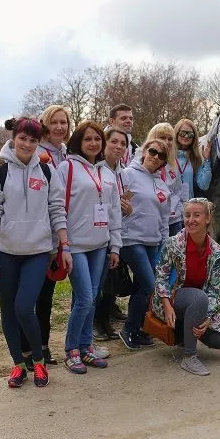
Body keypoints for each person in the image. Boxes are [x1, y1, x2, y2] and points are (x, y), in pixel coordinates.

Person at [0, 117, 72, 388]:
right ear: (13, 138)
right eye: (23, 138)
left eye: (33, 140)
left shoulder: (47, 172)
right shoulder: (0, 173)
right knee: (8, 311)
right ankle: (18, 365)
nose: (27, 144)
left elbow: (57, 210)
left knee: (24, 307)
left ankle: (38, 361)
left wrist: (64, 247)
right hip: (6, 252)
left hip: (38, 252)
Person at [57, 122, 122, 374]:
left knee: (92, 298)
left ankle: (86, 347)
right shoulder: (67, 168)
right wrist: (62, 245)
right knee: (84, 299)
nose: (94, 143)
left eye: (97, 139)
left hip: (100, 245)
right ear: (78, 142)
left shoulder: (108, 173)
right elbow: (58, 207)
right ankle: (71, 349)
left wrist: (115, 246)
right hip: (75, 246)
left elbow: (114, 211)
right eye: (88, 139)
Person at [152, 198, 220, 376]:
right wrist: (166, 305)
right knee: (199, 298)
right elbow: (161, 277)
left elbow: (213, 290)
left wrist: (209, 318)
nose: (191, 220)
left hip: (199, 303)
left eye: (197, 215)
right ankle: (189, 356)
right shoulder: (173, 244)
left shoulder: (217, 252)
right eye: (187, 215)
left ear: (208, 219)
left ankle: (182, 333)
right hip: (170, 300)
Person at [18, 104, 71, 367]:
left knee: (47, 295)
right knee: (33, 295)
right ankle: (27, 350)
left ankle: (43, 345)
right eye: (55, 122)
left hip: (57, 232)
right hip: (35, 235)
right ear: (45, 126)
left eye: (64, 122)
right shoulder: (37, 154)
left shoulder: (64, 154)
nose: (60, 127)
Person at [118, 139, 172, 350]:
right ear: (144, 152)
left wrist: (166, 244)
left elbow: (164, 218)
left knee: (143, 286)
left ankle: (137, 329)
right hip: (131, 239)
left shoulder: (162, 184)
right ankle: (128, 328)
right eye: (152, 151)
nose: (155, 157)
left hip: (154, 241)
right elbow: (115, 202)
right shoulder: (127, 174)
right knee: (150, 286)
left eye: (161, 156)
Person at [93, 127, 133, 341]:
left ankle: (105, 322)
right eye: (114, 142)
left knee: (110, 281)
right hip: (96, 232)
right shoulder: (95, 169)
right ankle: (94, 325)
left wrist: (127, 209)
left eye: (123, 143)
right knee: (95, 285)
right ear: (105, 143)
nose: (119, 147)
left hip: (115, 233)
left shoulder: (122, 172)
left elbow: (122, 205)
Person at [146, 123, 184, 236]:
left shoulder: (173, 165)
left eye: (170, 139)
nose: (167, 142)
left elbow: (178, 192)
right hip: (152, 219)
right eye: (162, 138)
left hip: (173, 221)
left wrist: (181, 215)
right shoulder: (144, 163)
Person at [174, 118, 213, 201]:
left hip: (187, 207)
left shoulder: (195, 159)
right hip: (167, 207)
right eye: (183, 133)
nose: (186, 136)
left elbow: (204, 185)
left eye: (190, 134)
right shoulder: (167, 156)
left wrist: (207, 160)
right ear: (176, 134)